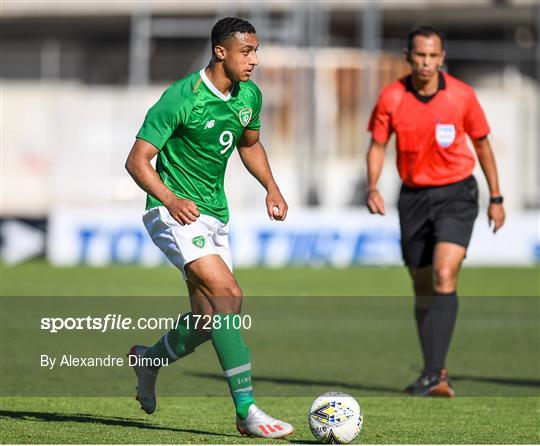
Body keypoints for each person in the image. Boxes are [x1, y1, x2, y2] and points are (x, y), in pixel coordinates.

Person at [125, 17, 293, 438]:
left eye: (256, 50)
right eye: (247, 51)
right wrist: (170, 198)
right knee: (228, 293)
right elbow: (137, 160)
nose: (254, 60)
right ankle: (246, 410)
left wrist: (271, 187)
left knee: (209, 317)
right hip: (172, 212)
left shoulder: (249, 96)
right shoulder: (183, 97)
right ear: (221, 52)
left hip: (216, 215)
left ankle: (149, 361)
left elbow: (249, 145)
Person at [365, 25, 505, 397]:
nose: (426, 63)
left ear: (442, 58)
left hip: (457, 194)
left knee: (445, 274)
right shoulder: (392, 97)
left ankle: (437, 374)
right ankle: (430, 371)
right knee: (423, 286)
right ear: (408, 56)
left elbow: (483, 146)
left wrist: (496, 197)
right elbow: (378, 145)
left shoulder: (462, 96)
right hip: (412, 198)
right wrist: (373, 186)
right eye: (420, 55)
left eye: (433, 56)